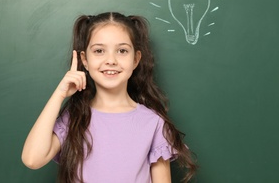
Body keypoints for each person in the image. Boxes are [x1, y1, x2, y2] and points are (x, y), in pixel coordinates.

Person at [22, 12, 197, 182]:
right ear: (85, 60)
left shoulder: (154, 123)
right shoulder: (74, 118)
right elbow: (32, 159)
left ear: (136, 59)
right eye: (99, 51)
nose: (111, 60)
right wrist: (59, 94)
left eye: (122, 50)